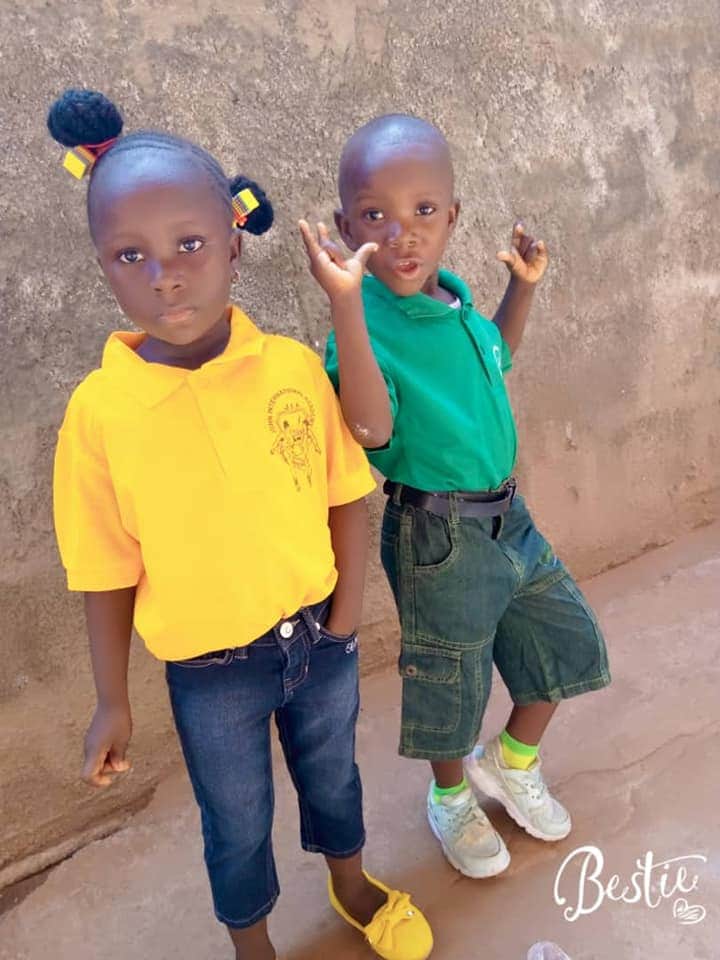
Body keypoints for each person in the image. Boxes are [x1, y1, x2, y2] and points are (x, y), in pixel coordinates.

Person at [49, 90, 433, 960]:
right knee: (234, 817)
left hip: (319, 640)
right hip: (209, 673)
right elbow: (103, 567)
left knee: (334, 776)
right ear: (103, 266)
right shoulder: (101, 414)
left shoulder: (289, 368)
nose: (164, 275)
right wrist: (111, 699)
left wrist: (345, 618)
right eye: (130, 255)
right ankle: (251, 943)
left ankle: (351, 885)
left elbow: (343, 491)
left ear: (234, 242)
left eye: (188, 244)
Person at [299, 113, 610, 880]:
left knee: (565, 642)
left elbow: (496, 356)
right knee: (450, 683)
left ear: (452, 218)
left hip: (510, 519)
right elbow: (370, 430)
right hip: (436, 537)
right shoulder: (367, 327)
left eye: (423, 211)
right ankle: (451, 799)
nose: (401, 234)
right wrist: (345, 305)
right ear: (346, 227)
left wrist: (520, 289)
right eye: (375, 215)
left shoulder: (455, 304)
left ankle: (512, 761)